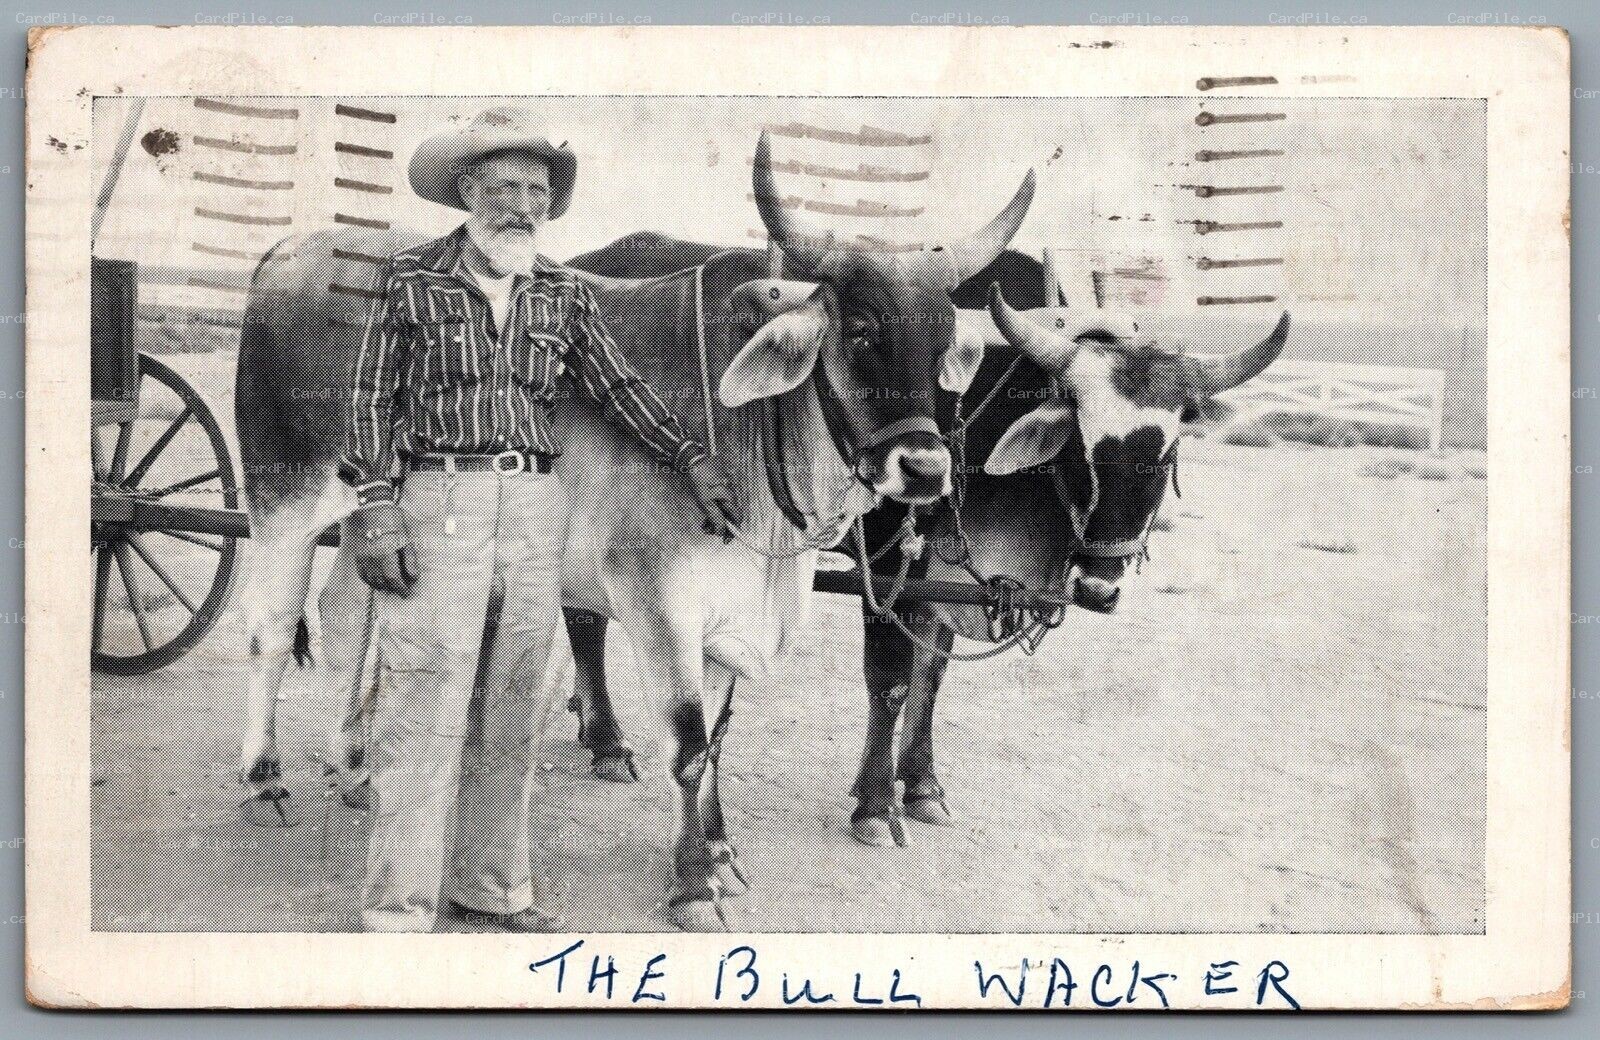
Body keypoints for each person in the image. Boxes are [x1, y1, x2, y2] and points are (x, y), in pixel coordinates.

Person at [339, 106, 741, 932]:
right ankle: (398, 910)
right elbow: (370, 397)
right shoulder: (412, 278)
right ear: (467, 190)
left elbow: (619, 388)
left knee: (515, 704)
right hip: (436, 499)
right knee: (423, 703)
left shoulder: (563, 293)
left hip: (534, 506)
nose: (523, 205)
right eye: (506, 187)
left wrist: (691, 458)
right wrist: (376, 506)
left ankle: (491, 887)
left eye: (538, 191)